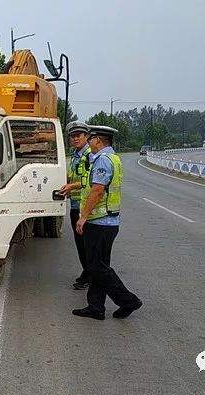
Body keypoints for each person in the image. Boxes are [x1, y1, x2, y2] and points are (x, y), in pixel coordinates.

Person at [72, 125, 142, 320]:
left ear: (98, 140)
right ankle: (96, 306)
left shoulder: (103, 159)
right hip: (109, 221)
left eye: (90, 138)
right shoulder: (114, 158)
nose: (88, 142)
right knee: (100, 265)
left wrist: (83, 215)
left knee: (97, 267)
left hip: (99, 222)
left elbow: (97, 190)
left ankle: (128, 300)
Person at [58, 121, 92, 290]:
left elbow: (90, 182)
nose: (75, 138)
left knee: (86, 244)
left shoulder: (89, 155)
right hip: (75, 205)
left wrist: (71, 186)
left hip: (84, 207)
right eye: (73, 136)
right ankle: (87, 272)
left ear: (86, 136)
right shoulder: (76, 155)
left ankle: (89, 275)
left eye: (79, 135)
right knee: (80, 244)